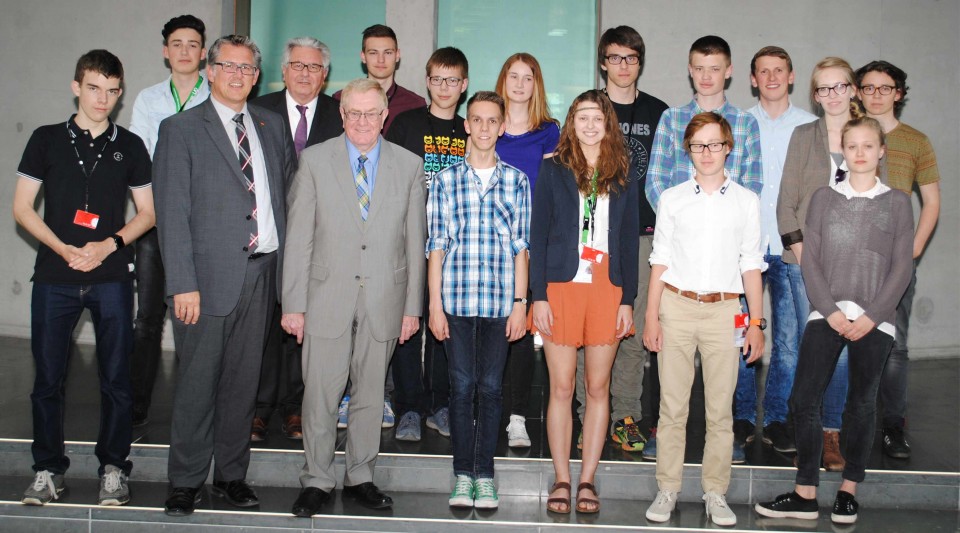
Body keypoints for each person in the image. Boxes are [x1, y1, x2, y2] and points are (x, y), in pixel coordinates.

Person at [153, 35, 296, 516]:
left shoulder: (270, 125)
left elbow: (284, 196)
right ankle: (185, 480)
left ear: (257, 77)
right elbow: (171, 213)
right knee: (197, 383)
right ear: (209, 71)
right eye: (228, 66)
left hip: (262, 273)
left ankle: (231, 474)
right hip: (205, 281)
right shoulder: (181, 129)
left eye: (247, 68)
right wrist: (181, 283)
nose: (238, 75)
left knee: (243, 382)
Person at [15, 49, 155, 508]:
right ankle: (47, 470)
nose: (104, 99)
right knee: (47, 380)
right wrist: (64, 249)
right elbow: (21, 208)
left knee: (116, 379)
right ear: (77, 86)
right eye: (94, 88)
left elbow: (148, 213)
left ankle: (114, 468)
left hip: (112, 275)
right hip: (55, 274)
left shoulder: (130, 145)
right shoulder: (46, 139)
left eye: (113, 91)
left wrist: (107, 245)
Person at [756, 117, 913, 525]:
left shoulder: (897, 202)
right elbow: (813, 263)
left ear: (881, 152)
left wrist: (873, 316)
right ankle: (805, 492)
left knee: (860, 404)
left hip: (874, 321)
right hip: (826, 312)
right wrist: (830, 311)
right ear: (842, 151)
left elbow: (901, 268)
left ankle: (848, 491)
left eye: (868, 146)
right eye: (852, 146)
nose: (859, 153)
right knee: (803, 400)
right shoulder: (824, 199)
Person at [282, 78, 425, 517]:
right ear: (342, 115)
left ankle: (360, 475)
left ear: (385, 116)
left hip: (386, 295)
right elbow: (299, 237)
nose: (363, 121)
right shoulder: (314, 161)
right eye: (354, 113)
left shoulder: (409, 164)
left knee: (369, 394)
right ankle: (318, 478)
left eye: (371, 113)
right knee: (321, 393)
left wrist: (412, 307)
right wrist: (293, 304)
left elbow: (413, 240)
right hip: (326, 295)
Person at [642, 113, 765, 527]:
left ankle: (715, 492)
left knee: (720, 411)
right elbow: (659, 260)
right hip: (675, 308)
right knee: (671, 408)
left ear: (728, 147)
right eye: (698, 145)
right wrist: (651, 319)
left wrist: (756, 323)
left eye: (715, 144)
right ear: (688, 151)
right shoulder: (672, 198)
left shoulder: (747, 202)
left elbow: (751, 265)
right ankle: (668, 488)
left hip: (725, 311)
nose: (707, 153)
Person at [644, 35, 762, 463]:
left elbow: (755, 184)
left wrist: (718, 223)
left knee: (724, 375)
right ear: (690, 70)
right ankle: (661, 432)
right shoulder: (672, 118)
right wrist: (687, 225)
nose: (707, 75)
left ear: (728, 70)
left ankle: (726, 441)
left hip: (727, 267)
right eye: (699, 67)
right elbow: (655, 182)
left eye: (715, 67)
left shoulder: (746, 124)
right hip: (676, 256)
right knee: (668, 367)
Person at [531, 90, 639, 514]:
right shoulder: (553, 170)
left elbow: (629, 239)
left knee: (597, 387)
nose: (590, 125)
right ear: (571, 124)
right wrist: (538, 296)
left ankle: (588, 480)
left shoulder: (622, 172)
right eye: (582, 117)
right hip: (560, 286)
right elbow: (537, 235)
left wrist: (627, 298)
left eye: (598, 117)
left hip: (606, 288)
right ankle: (561, 478)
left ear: (607, 124)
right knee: (560, 387)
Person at [427, 91, 529, 509]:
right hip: (456, 300)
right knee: (461, 385)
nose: (485, 128)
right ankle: (461, 475)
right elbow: (436, 245)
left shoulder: (517, 181)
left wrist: (520, 303)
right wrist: (434, 304)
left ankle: (485, 474)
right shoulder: (445, 180)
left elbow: (521, 247)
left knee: (489, 389)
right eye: (477, 120)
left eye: (493, 121)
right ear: (466, 126)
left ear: (501, 127)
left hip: (500, 303)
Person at [575, 25, 667, 454]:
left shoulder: (658, 112)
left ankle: (625, 414)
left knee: (627, 328)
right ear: (603, 63)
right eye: (615, 58)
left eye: (631, 58)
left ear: (639, 63)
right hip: (590, 238)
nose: (623, 65)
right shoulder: (591, 109)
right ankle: (583, 414)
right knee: (584, 328)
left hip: (644, 237)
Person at [249, 36, 342, 442]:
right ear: (283, 71)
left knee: (305, 324)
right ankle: (258, 406)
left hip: (322, 238)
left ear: (325, 76)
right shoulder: (256, 112)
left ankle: (295, 407)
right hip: (268, 233)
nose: (305, 74)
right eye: (298, 66)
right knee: (265, 323)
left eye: (314, 67)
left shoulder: (341, 115)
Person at [777, 57, 863, 472]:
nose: (831, 95)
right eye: (823, 88)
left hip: (851, 268)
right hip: (800, 261)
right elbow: (786, 205)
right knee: (800, 350)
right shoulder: (802, 135)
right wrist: (805, 258)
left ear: (852, 89)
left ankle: (831, 434)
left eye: (839, 86)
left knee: (841, 352)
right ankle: (802, 428)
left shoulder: (865, 137)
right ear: (814, 95)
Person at [856, 60, 941, 460]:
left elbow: (932, 201)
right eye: (868, 87)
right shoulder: (848, 136)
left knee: (895, 345)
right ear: (858, 91)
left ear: (899, 93)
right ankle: (849, 421)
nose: (876, 95)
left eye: (884, 88)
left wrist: (914, 248)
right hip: (849, 261)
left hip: (895, 262)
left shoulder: (916, 141)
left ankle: (893, 426)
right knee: (843, 339)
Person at [128, 14, 209, 428]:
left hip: (203, 229)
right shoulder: (148, 99)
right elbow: (139, 163)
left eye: (192, 44)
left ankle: (192, 412)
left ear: (202, 51)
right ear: (165, 51)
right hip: (155, 224)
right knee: (147, 321)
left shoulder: (215, 95)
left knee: (194, 322)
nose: (184, 51)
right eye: (176, 44)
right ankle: (135, 409)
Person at [735, 46, 816, 454]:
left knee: (788, 339)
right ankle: (744, 416)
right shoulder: (738, 123)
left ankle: (780, 419)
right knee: (739, 334)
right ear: (752, 78)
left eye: (778, 70)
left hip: (790, 247)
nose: (770, 77)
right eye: (763, 71)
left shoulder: (810, 126)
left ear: (791, 75)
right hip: (743, 247)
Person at [386, 46, 470, 442]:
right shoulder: (405, 124)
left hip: (452, 249)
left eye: (452, 80)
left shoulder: (470, 130)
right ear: (427, 80)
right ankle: (408, 409)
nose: (444, 87)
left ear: (464, 85)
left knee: (444, 329)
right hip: (408, 242)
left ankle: (439, 405)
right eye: (437, 79)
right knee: (407, 327)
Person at [494, 52, 560, 448]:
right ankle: (489, 410)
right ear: (503, 80)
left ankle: (517, 416)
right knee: (488, 333)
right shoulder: (488, 124)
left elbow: (553, 194)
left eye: (528, 77)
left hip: (531, 247)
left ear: (537, 84)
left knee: (520, 334)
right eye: (513, 76)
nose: (520, 84)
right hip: (487, 247)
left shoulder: (549, 131)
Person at [334, 24, 426, 134]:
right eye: (373, 53)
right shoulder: (340, 99)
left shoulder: (415, 105)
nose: (381, 60)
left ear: (397, 55)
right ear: (363, 56)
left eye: (388, 53)